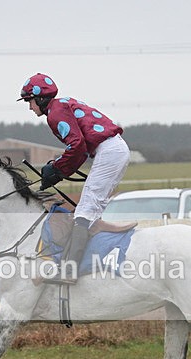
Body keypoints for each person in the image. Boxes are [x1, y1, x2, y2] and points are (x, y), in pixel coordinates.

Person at [18, 73, 131, 284]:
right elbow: (78, 148)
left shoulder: (54, 113)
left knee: (84, 212)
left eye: (29, 102)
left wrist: (57, 170)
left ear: (40, 98)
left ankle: (69, 271)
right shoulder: (62, 104)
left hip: (109, 151)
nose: (30, 107)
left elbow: (77, 146)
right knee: (90, 212)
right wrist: (58, 168)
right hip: (113, 150)